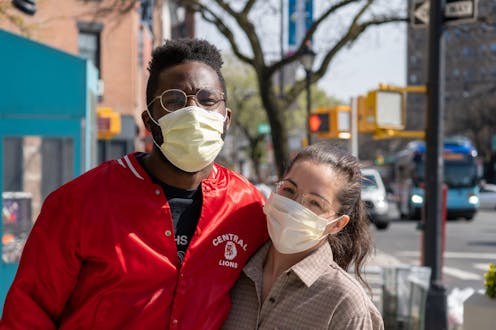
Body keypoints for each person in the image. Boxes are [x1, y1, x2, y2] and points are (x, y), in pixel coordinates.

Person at [0, 38, 268, 329]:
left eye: (207, 99)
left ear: (226, 119)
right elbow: (28, 312)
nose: (194, 112)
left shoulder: (249, 208)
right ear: (150, 121)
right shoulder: (79, 203)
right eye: (174, 100)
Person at [223, 142, 384, 330]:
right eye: (289, 190)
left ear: (337, 224)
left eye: (315, 203)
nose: (295, 207)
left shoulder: (345, 305)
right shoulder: (232, 270)